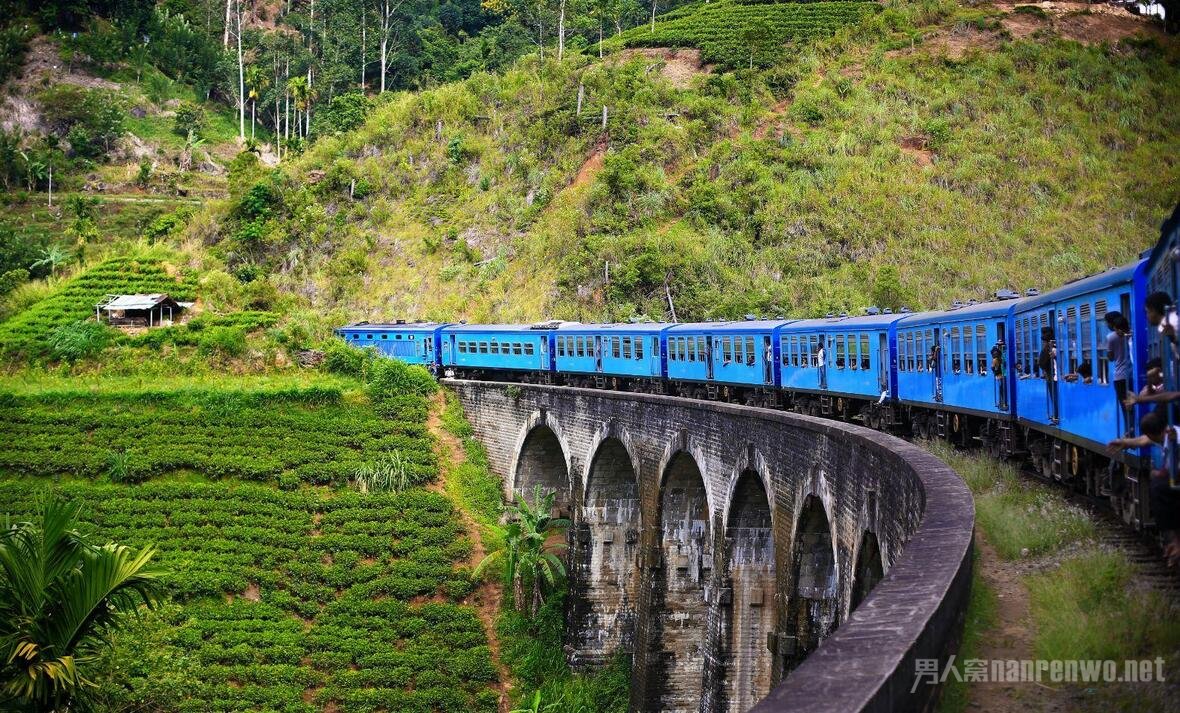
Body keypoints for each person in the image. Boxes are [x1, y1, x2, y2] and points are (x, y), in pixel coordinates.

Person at [1108, 411, 1180, 566]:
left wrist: (1161, 473)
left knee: (1159, 489)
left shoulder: (1174, 437)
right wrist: (1125, 442)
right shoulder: (1166, 434)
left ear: (1154, 434)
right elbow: (1144, 440)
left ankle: (1174, 542)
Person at [1103, 311, 1133, 435]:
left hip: (1120, 375)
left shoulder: (1111, 337)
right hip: (1132, 373)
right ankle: (1133, 427)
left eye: (1107, 323)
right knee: (1133, 401)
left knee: (1124, 403)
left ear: (1112, 324)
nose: (1107, 326)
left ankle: (1129, 429)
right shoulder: (1131, 334)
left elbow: (1110, 357)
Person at [1147, 291, 1179, 360]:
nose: (1147, 316)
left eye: (1148, 312)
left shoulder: (1167, 324)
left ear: (1154, 311)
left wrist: (1173, 339)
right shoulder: (1173, 318)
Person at [1038, 326, 1059, 423]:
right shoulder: (1055, 347)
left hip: (1052, 377)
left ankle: (1056, 414)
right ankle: (1055, 414)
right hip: (1054, 376)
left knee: (1054, 396)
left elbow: (1042, 363)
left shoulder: (1049, 349)